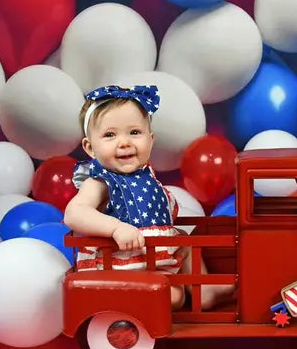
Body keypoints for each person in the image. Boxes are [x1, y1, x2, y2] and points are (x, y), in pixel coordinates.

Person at [63, 84, 234, 310]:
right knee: (174, 297)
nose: (124, 142)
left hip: (153, 260)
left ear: (151, 140)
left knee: (186, 240)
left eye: (134, 132)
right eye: (110, 135)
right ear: (90, 148)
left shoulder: (148, 177)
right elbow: (74, 213)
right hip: (120, 266)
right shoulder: (101, 182)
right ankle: (136, 297)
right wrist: (115, 228)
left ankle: (202, 288)